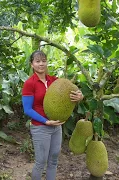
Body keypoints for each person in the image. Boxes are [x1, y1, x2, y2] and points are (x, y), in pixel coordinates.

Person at [22, 50, 84, 180]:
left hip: (57, 127)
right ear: (31, 64)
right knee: (40, 162)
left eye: (44, 61)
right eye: (37, 61)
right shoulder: (29, 83)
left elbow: (70, 93)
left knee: (54, 160)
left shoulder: (54, 81)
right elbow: (27, 109)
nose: (41, 64)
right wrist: (45, 121)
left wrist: (80, 96)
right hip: (40, 127)